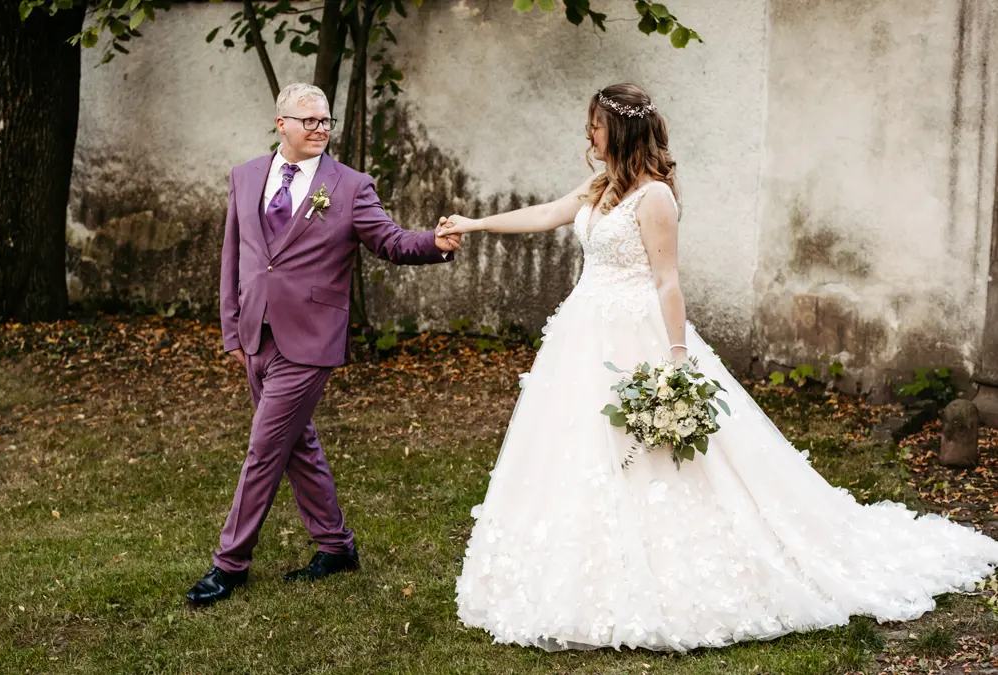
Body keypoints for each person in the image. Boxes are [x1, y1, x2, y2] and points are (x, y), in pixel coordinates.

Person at [441, 83, 998, 652]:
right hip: (583, 333)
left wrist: (677, 361)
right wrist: (475, 224)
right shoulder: (601, 185)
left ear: (624, 130)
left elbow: (667, 280)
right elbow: (549, 214)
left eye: (598, 125)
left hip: (638, 334)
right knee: (574, 449)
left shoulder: (654, 198)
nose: (590, 134)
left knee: (652, 456)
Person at [186, 82, 460, 606]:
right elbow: (234, 257)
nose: (319, 130)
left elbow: (391, 241)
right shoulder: (245, 177)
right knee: (297, 446)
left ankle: (230, 564)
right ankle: (336, 548)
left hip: (310, 340)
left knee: (265, 451)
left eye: (325, 121)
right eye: (307, 121)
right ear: (280, 124)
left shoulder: (350, 186)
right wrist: (231, 329)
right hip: (255, 335)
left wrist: (434, 244)